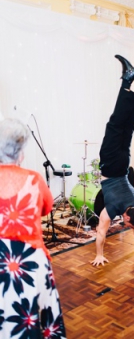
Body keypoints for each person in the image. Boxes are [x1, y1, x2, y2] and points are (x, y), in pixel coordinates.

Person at [0, 119, 67, 338]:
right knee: (27, 321)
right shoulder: (35, 179)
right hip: (29, 263)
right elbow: (47, 208)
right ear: (20, 154)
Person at [90, 55, 134, 266]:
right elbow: (101, 231)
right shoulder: (113, 210)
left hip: (123, 161)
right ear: (127, 218)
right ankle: (128, 79)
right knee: (116, 123)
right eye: (129, 225)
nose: (128, 226)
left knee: (129, 125)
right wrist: (98, 255)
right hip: (110, 164)